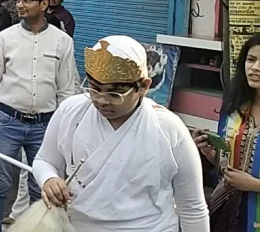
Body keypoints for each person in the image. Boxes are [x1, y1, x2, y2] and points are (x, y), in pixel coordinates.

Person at [34, 35, 209, 231]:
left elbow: (192, 208)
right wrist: (49, 179)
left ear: (143, 86)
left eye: (114, 94)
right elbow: (44, 160)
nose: (102, 100)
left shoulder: (169, 129)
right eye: (94, 89)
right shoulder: (71, 111)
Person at [0, 0, 79, 232]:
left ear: (44, 4)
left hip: (45, 126)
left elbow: (67, 92)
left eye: (28, 0)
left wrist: (67, 133)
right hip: (7, 121)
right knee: (0, 184)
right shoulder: (6, 38)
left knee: (42, 186)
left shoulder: (63, 42)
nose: (20, 5)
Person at [195, 33, 260, 231]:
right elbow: (226, 161)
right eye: (251, 59)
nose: (255, 67)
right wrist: (210, 153)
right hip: (227, 211)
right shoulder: (234, 108)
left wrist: (255, 185)